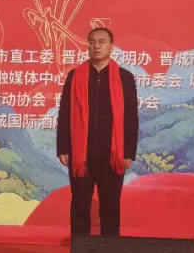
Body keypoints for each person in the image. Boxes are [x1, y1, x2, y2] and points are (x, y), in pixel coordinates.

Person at [57, 27, 139, 238]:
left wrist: (129, 152)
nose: (96, 46)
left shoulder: (124, 78)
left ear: (111, 47)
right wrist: (63, 147)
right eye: (92, 42)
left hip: (112, 155)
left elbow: (131, 117)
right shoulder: (75, 76)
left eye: (102, 42)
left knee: (110, 209)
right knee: (80, 207)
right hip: (81, 155)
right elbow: (65, 113)